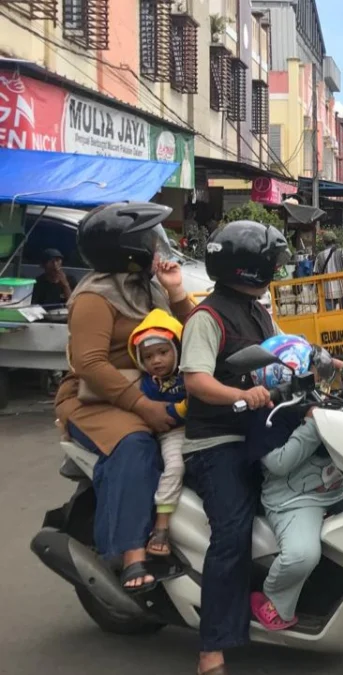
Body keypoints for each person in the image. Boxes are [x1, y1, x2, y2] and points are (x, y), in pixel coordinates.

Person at [54, 203, 192, 592]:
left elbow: (193, 331)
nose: (157, 245)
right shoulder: (94, 298)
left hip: (157, 387)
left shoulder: (149, 289)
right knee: (135, 444)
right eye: (149, 239)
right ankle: (131, 556)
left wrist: (177, 292)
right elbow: (90, 363)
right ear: (127, 248)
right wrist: (143, 407)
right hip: (96, 399)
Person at [180, 219, 288, 675]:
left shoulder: (259, 310)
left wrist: (331, 362)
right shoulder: (207, 318)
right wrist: (242, 396)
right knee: (234, 531)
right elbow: (197, 382)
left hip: (259, 431)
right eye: (270, 264)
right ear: (249, 268)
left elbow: (286, 351)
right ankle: (212, 648)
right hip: (216, 442)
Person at [246, 336, 343, 631]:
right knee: (302, 555)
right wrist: (314, 426)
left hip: (332, 485)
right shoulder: (266, 417)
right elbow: (279, 464)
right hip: (294, 497)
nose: (319, 375)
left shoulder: (309, 398)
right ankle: (273, 601)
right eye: (312, 370)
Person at [127, 308, 189, 557]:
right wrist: (183, 408)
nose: (156, 361)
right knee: (175, 467)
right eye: (149, 356)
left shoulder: (190, 372)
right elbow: (161, 414)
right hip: (173, 432)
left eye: (163, 352)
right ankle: (161, 526)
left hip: (202, 428)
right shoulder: (149, 385)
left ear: (177, 349)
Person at [313, 231, 343, 311]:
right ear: (334, 240)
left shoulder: (319, 256)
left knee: (329, 317)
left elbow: (315, 274)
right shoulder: (341, 251)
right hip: (342, 290)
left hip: (327, 292)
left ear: (324, 242)